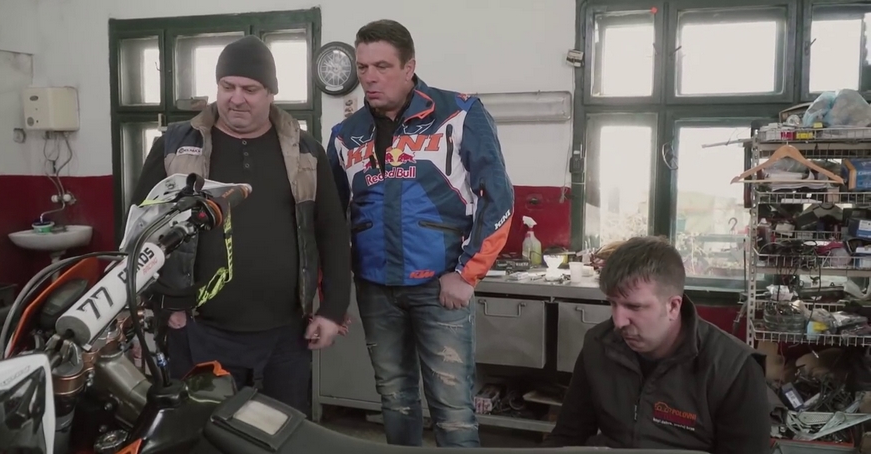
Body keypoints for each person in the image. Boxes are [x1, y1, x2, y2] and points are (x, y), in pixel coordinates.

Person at [130, 35, 352, 416]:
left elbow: (331, 231)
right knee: (206, 434)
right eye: (227, 86)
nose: (236, 99)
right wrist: (155, 308)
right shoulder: (174, 147)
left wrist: (333, 309)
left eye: (250, 89)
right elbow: (139, 233)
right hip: (198, 333)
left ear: (271, 93)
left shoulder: (305, 151)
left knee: (282, 433)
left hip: (286, 338)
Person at [325, 19, 514, 448]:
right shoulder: (344, 135)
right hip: (375, 288)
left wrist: (466, 274)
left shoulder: (459, 114)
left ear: (409, 67)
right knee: (395, 400)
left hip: (440, 287)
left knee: (452, 408)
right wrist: (331, 296)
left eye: (382, 66)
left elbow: (498, 198)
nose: (370, 78)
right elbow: (330, 221)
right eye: (363, 67)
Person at [542, 236, 770, 453]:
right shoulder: (599, 344)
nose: (619, 322)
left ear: (673, 307)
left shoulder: (735, 371)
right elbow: (567, 436)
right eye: (613, 303)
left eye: (634, 307)